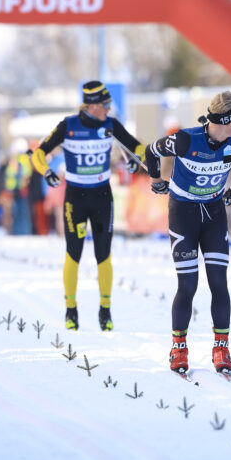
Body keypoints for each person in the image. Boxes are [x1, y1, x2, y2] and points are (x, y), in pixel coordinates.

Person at [145, 91, 231, 376]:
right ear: (227, 120)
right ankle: (179, 347)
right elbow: (150, 151)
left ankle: (221, 347)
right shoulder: (185, 139)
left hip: (214, 214)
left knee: (219, 282)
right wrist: (156, 180)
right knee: (188, 285)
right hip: (184, 215)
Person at [30, 80, 145, 332]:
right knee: (74, 254)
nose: (109, 108)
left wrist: (139, 160)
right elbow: (39, 153)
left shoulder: (110, 125)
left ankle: (105, 311)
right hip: (76, 198)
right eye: (105, 104)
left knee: (103, 255)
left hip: (102, 196)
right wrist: (46, 172)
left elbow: (137, 146)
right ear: (92, 105)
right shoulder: (68, 125)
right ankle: (71, 311)